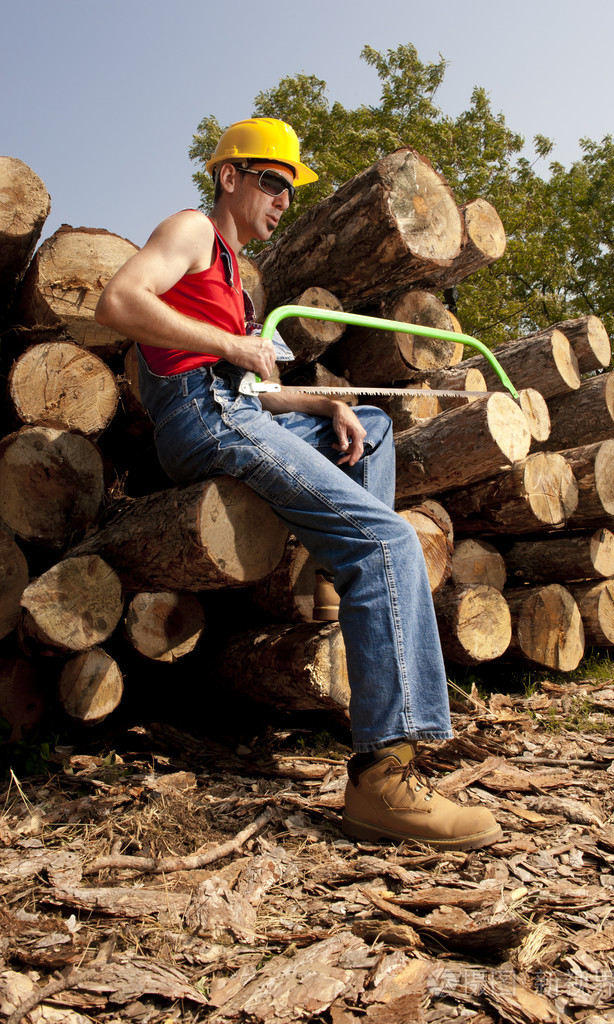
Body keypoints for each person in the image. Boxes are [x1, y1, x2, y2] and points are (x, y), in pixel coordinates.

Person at [95, 117, 501, 850]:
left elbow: (258, 386)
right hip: (201, 417)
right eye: (273, 182)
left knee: (370, 431)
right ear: (230, 177)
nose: (284, 199)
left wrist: (323, 401)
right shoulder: (191, 230)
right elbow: (117, 302)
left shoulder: (240, 283)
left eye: (289, 188)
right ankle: (384, 779)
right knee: (388, 545)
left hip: (235, 406)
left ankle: (333, 575)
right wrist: (229, 344)